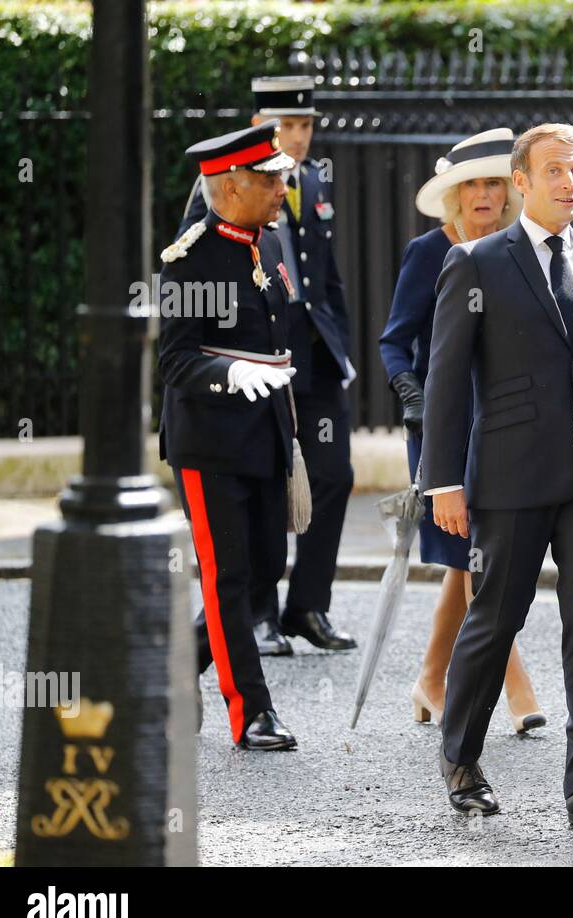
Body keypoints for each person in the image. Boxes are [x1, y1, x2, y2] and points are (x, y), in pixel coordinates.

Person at [421, 123, 573, 828]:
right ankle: (461, 759)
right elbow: (445, 382)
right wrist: (443, 482)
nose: (569, 183)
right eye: (554, 171)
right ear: (521, 182)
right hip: (510, 476)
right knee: (493, 620)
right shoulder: (478, 263)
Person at [178, 75, 357, 658]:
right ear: (260, 125)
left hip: (312, 349)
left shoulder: (313, 182)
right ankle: (256, 614)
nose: (299, 139)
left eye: (306, 126)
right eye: (287, 127)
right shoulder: (227, 186)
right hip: (253, 355)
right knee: (260, 484)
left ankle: (308, 604)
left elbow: (328, 276)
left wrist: (342, 346)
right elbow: (196, 267)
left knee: (332, 477)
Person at [379, 127, 545, 733]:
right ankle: (518, 688)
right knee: (476, 556)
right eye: (472, 184)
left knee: (470, 558)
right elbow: (395, 341)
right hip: (441, 425)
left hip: (502, 424)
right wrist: (410, 393)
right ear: (455, 194)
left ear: (509, 191)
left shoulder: (515, 246)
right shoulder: (431, 252)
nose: (484, 194)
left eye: (494, 184)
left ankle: (429, 678)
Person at [158, 121, 300, 750]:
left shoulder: (266, 244)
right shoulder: (193, 258)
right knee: (227, 574)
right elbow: (176, 361)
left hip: (265, 433)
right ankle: (251, 712)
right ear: (230, 184)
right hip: (210, 440)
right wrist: (231, 370)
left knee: (265, 566)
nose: (281, 186)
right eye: (269, 178)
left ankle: (172, 673)